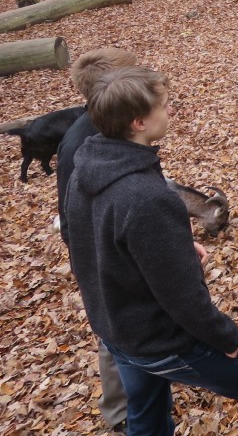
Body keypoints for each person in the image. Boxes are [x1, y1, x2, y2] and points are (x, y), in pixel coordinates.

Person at [66, 66, 238, 436]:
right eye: (165, 105)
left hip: (116, 329)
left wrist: (176, 245)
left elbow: (103, 244)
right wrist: (227, 336)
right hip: (159, 340)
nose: (171, 110)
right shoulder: (145, 196)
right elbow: (182, 297)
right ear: (139, 122)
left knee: (147, 413)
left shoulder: (86, 171)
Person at [56, 47, 138, 432]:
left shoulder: (116, 125)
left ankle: (143, 390)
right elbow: (73, 216)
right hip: (101, 255)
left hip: (123, 244)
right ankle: (119, 413)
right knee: (112, 329)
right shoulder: (79, 143)